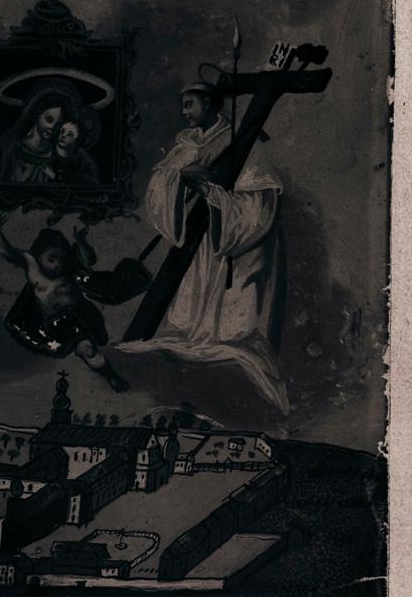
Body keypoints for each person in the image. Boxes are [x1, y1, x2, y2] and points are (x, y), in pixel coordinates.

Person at [117, 84, 289, 413]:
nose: (184, 112)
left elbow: (259, 202)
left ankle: (222, 350)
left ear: (209, 103)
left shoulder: (244, 140)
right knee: (187, 305)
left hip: (231, 244)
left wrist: (215, 197)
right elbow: (160, 186)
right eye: (182, 106)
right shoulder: (187, 144)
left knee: (229, 321)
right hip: (195, 241)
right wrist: (182, 177)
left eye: (189, 104)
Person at [0, 218, 130, 392]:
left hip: (73, 320)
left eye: (61, 260)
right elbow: (8, 252)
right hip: (48, 324)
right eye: (52, 259)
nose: (58, 265)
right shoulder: (32, 267)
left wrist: (81, 242)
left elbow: (88, 260)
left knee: (88, 350)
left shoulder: (70, 269)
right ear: (38, 256)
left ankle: (111, 375)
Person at [0, 87, 74, 184]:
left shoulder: (57, 154)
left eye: (58, 124)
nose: (52, 127)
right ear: (38, 114)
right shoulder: (12, 148)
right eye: (49, 120)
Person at [51, 114, 101, 186]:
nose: (63, 135)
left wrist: (56, 177)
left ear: (76, 140)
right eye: (63, 131)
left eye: (69, 134)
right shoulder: (49, 149)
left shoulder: (84, 160)